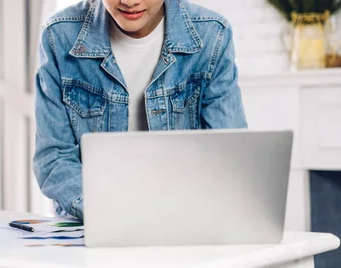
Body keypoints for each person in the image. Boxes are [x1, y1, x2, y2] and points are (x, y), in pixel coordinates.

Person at [33, 0, 247, 220]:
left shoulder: (212, 35)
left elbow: (229, 157)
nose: (129, 1)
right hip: (89, 221)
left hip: (182, 219)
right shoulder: (58, 36)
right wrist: (109, 213)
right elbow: (54, 157)